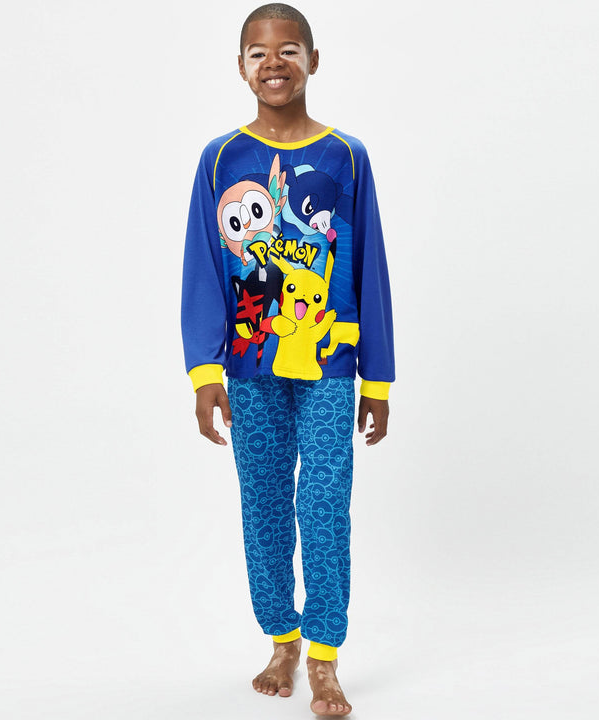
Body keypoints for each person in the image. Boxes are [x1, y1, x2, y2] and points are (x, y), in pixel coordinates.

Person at [181, 4, 394, 716]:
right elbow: (203, 267)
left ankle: (325, 654)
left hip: (330, 365)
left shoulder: (347, 156)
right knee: (265, 503)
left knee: (325, 503)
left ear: (312, 60)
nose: (274, 63)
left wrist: (378, 378)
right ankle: (282, 640)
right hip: (250, 367)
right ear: (241, 67)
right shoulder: (220, 158)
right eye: (258, 53)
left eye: (288, 50)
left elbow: (369, 267)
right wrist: (205, 370)